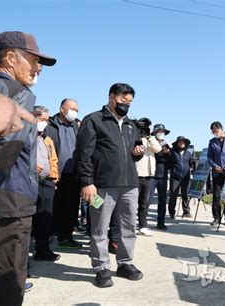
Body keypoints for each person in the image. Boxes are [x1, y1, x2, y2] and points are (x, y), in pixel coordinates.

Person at [0, 30, 56, 306]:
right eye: (33, 60)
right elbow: (3, 154)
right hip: (9, 204)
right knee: (6, 282)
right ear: (10, 57)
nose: (38, 67)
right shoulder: (17, 93)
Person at [77, 83, 144, 288]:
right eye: (123, 100)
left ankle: (125, 263)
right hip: (102, 185)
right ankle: (101, 267)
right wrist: (87, 182)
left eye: (130, 101)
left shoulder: (132, 125)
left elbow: (133, 149)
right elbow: (83, 154)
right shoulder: (94, 120)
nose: (126, 104)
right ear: (111, 97)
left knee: (128, 227)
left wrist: (138, 153)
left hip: (130, 184)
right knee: (99, 229)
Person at [44, 98, 81, 249]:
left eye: (77, 110)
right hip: (54, 174)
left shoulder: (77, 127)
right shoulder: (50, 126)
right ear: (62, 109)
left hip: (73, 174)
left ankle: (66, 236)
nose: (74, 112)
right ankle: (46, 238)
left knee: (71, 208)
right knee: (51, 208)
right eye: (72, 108)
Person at [31, 106, 61, 261]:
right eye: (41, 119)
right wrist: (30, 165)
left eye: (46, 120)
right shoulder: (25, 137)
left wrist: (54, 178)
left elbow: (54, 160)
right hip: (30, 182)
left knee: (45, 217)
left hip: (47, 182)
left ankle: (42, 249)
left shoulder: (47, 139)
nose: (43, 123)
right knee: (28, 218)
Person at [134, 117, 161, 236]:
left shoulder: (151, 139)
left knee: (143, 203)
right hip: (136, 174)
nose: (144, 129)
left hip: (148, 175)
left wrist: (149, 137)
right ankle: (130, 225)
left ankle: (143, 226)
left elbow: (158, 149)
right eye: (142, 126)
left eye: (147, 126)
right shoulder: (134, 136)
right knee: (132, 203)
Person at [207, 121, 225, 226]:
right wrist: (215, 166)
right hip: (217, 173)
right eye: (213, 132)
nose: (215, 133)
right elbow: (209, 157)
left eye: (216, 131)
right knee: (216, 196)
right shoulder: (212, 142)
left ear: (221, 129)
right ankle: (216, 218)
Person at [148, 124, 171, 230]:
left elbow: (171, 162)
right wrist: (163, 153)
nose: (161, 133)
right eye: (159, 131)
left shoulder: (167, 145)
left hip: (163, 176)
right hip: (151, 175)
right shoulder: (150, 143)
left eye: (162, 131)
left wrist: (168, 154)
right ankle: (142, 223)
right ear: (154, 133)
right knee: (147, 200)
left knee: (162, 200)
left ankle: (160, 223)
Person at [169, 136, 194, 218]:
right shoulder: (173, 153)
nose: (181, 144)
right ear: (177, 143)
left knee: (185, 195)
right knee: (173, 195)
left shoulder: (189, 154)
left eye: (183, 142)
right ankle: (172, 212)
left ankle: (186, 211)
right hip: (175, 178)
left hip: (185, 178)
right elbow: (170, 164)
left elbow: (191, 164)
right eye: (180, 142)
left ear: (185, 144)